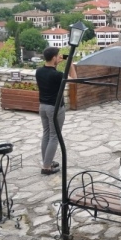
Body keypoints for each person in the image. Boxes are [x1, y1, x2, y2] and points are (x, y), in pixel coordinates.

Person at [36, 46, 77, 175]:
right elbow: (74, 80)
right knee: (54, 136)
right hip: (55, 108)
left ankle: (47, 161)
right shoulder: (57, 75)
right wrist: (70, 64)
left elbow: (50, 74)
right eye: (58, 56)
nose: (60, 57)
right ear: (54, 57)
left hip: (43, 106)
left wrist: (55, 64)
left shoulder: (39, 71)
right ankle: (46, 167)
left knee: (46, 134)